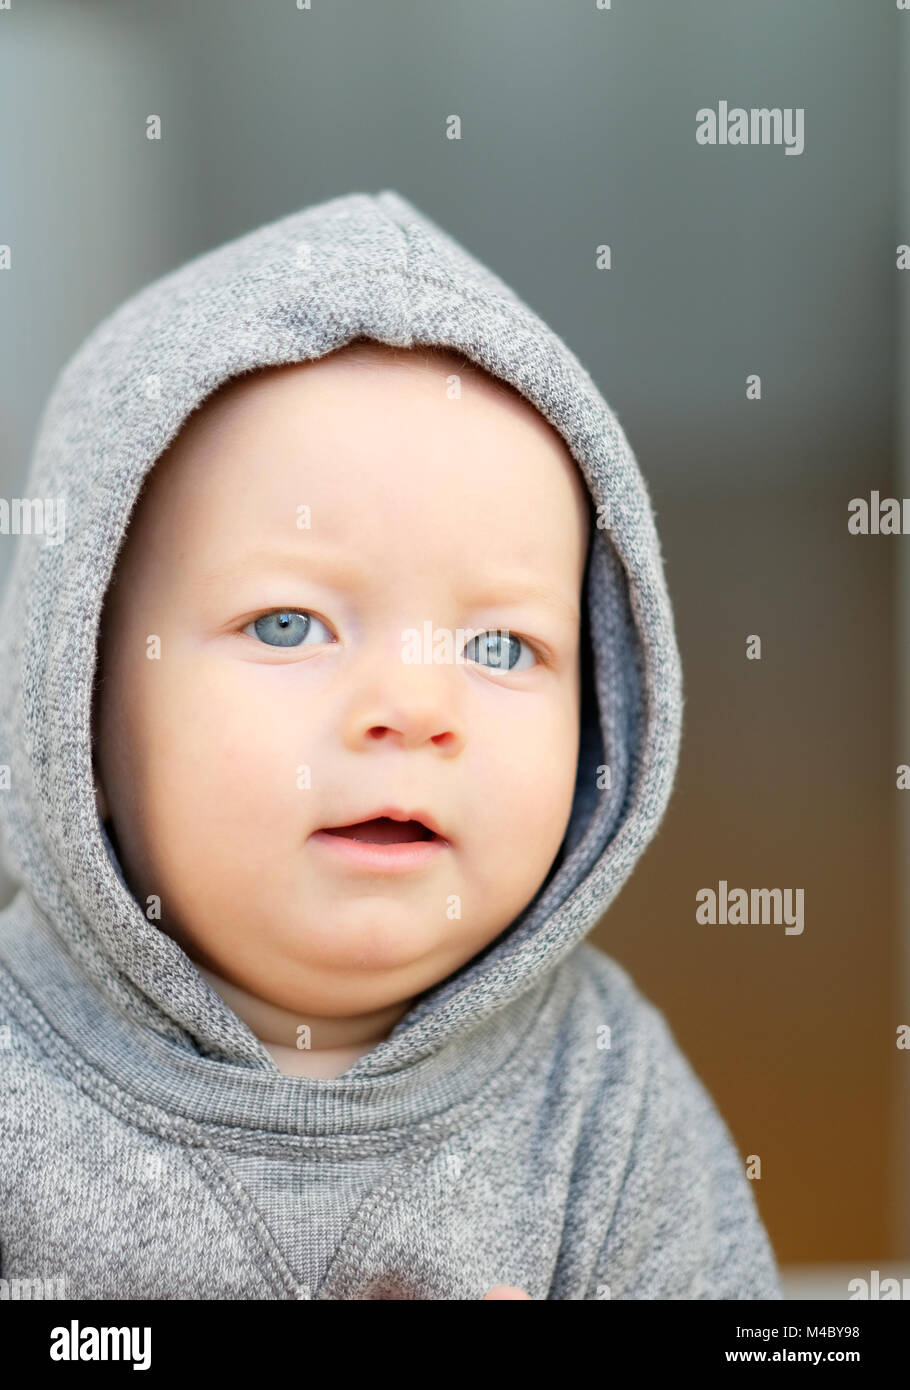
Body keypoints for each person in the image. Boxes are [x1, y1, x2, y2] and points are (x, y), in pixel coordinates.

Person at [0, 190, 783, 1300]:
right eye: (289, 625)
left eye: (501, 646)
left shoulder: (604, 1093)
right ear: (73, 702)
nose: (415, 709)